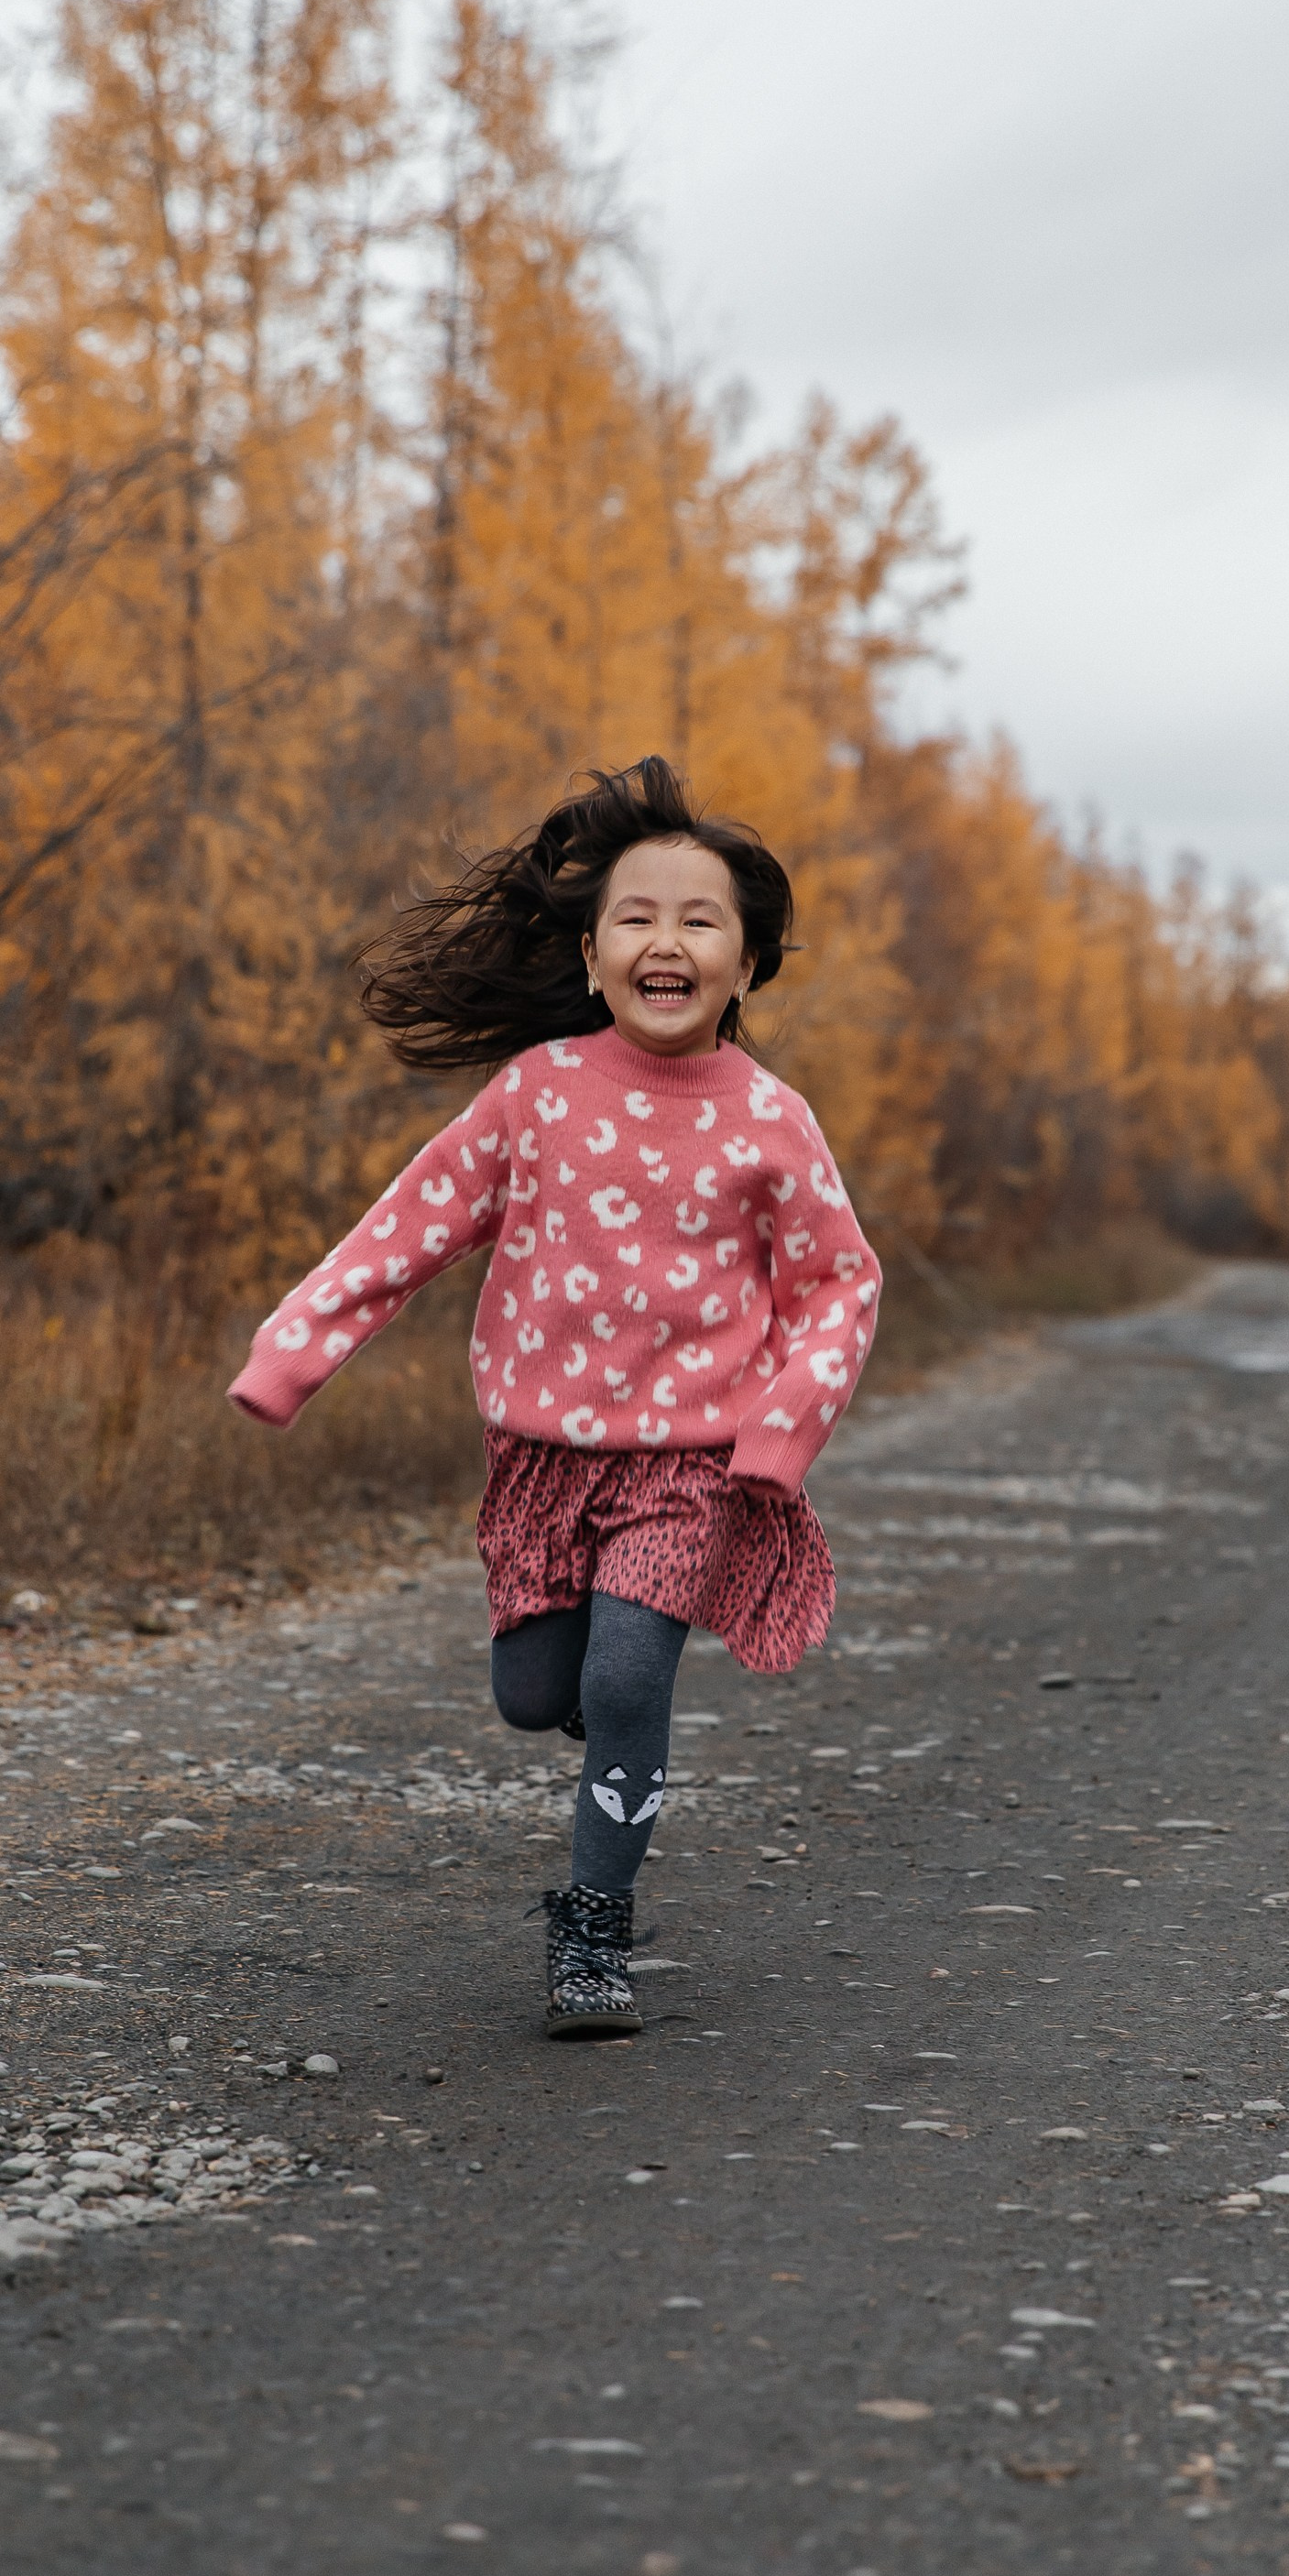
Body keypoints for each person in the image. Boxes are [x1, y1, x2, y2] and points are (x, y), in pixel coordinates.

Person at [227, 755, 882, 2037]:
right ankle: (611, 1717)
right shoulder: (534, 1095)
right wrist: (291, 1355)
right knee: (538, 1694)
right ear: (589, 957)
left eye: (702, 922)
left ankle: (593, 1937)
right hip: (541, 1460)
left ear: (745, 969)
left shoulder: (770, 1121)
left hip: (692, 1465)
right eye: (637, 917)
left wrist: (778, 1435)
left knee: (632, 1677)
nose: (667, 941)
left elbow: (837, 1288)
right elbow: (404, 1230)